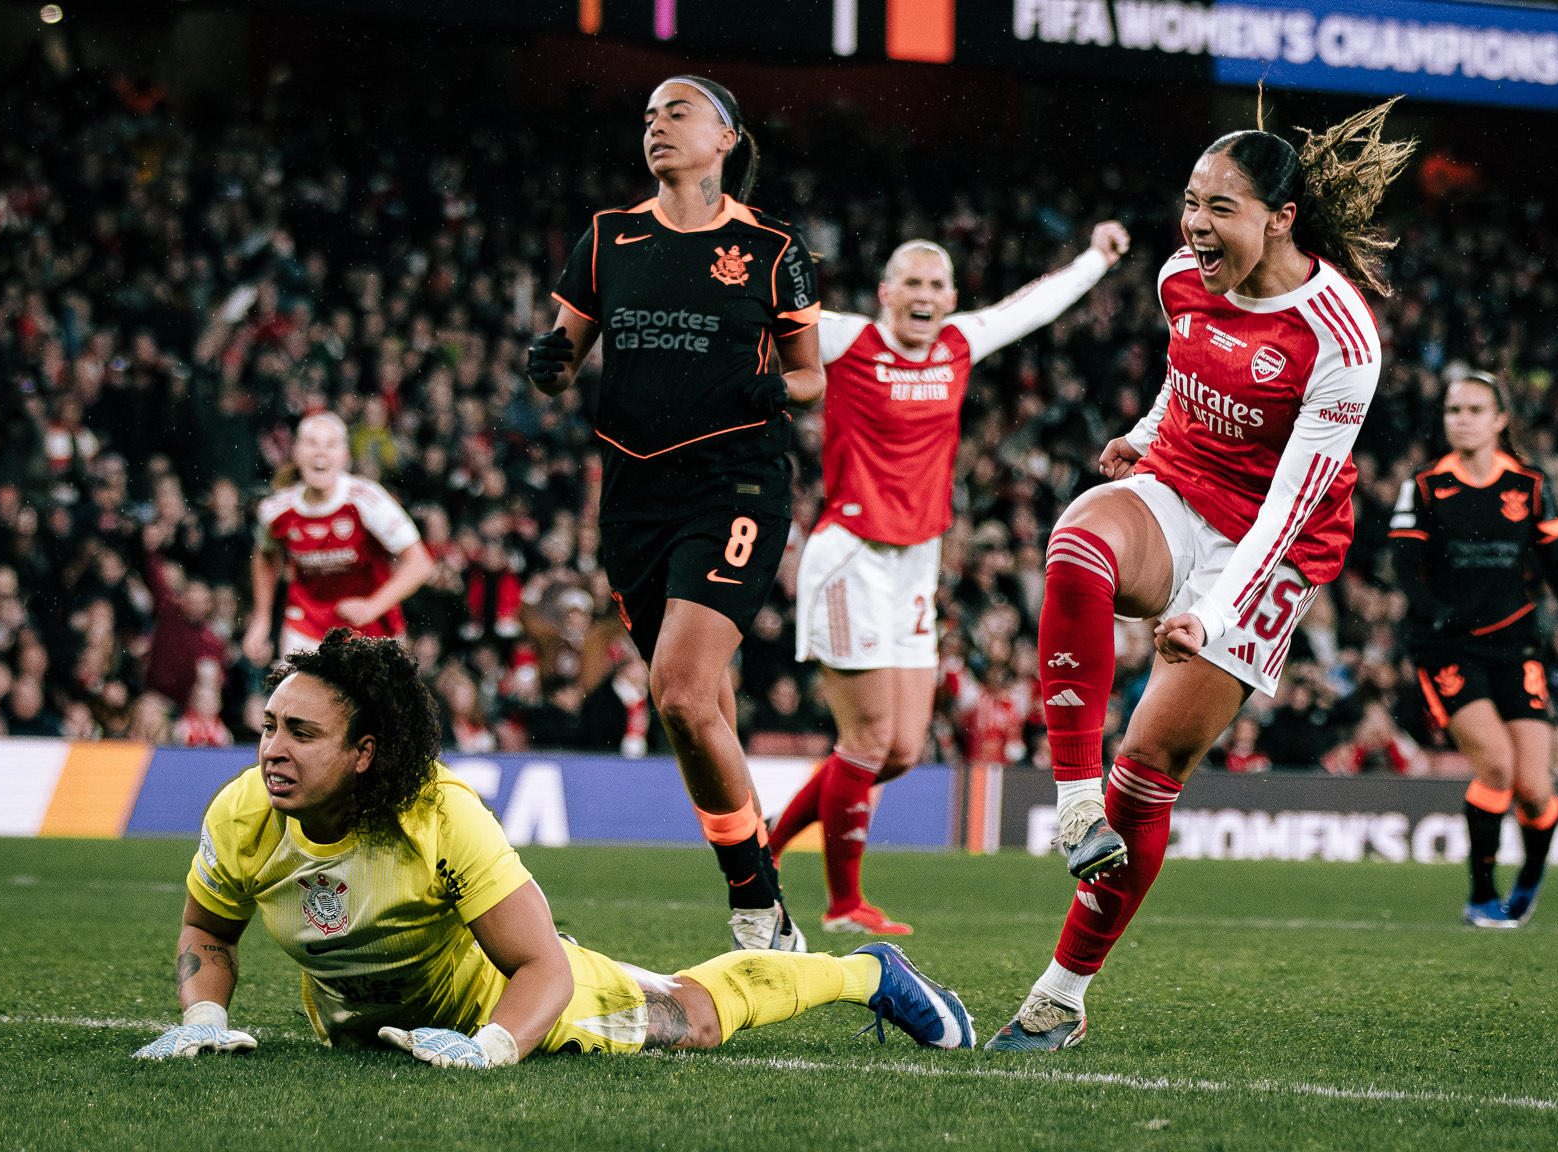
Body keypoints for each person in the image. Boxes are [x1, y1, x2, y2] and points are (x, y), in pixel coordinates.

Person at [986, 102, 1413, 1052]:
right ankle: (1069, 804)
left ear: (1281, 219)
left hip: (1267, 550)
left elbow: (1295, 502)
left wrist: (1210, 614)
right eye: (1190, 201)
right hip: (1180, 484)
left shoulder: (1340, 339)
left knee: (1148, 772)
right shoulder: (1185, 277)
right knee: (1075, 546)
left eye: (1220, 206)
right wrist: (1142, 435)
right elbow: (1187, 375)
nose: (1194, 224)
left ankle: (1061, 995)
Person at [131, 630, 973, 1067]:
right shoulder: (242, 812)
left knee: (696, 1018)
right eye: (270, 725)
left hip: (504, 1000)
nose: (271, 748)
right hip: (369, 1025)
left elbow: (543, 970)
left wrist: (489, 1046)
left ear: (365, 753)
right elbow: (208, 933)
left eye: (300, 733)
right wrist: (204, 1019)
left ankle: (866, 974)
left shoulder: (440, 813)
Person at [526, 76, 823, 951]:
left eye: (677, 113)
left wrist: (774, 386)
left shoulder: (769, 247)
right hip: (633, 498)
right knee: (703, 715)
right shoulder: (607, 239)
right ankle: (766, 897)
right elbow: (560, 364)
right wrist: (545, 364)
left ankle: (755, 904)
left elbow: (812, 376)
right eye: (648, 115)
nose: (657, 126)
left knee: (682, 696)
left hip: (734, 483)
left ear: (726, 138)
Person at [770, 224, 1130, 936]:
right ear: (885, 294)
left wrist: (1096, 257)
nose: (925, 296)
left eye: (937, 285)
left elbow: (1034, 305)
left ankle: (765, 849)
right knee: (867, 743)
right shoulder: (846, 339)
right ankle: (843, 905)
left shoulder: (960, 344)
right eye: (911, 283)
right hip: (849, 556)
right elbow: (766, 310)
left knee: (902, 752)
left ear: (951, 297)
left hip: (914, 562)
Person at [1389, 370, 1558, 927]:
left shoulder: (1530, 487)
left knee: (1535, 789)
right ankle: (1481, 897)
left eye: (1471, 409)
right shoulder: (1425, 485)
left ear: (1499, 421)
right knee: (1496, 767)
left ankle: (1529, 882)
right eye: (1451, 410)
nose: (1459, 419)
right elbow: (1402, 565)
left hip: (1516, 646)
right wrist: (1432, 607)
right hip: (1448, 649)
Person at [243, 413, 435, 665]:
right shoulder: (275, 510)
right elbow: (265, 556)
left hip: (371, 630)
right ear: (297, 452)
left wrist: (372, 606)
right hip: (307, 627)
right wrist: (261, 618)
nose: (320, 452)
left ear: (345, 456)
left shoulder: (367, 499)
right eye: (311, 443)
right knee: (295, 703)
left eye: (330, 444)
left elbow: (420, 563)